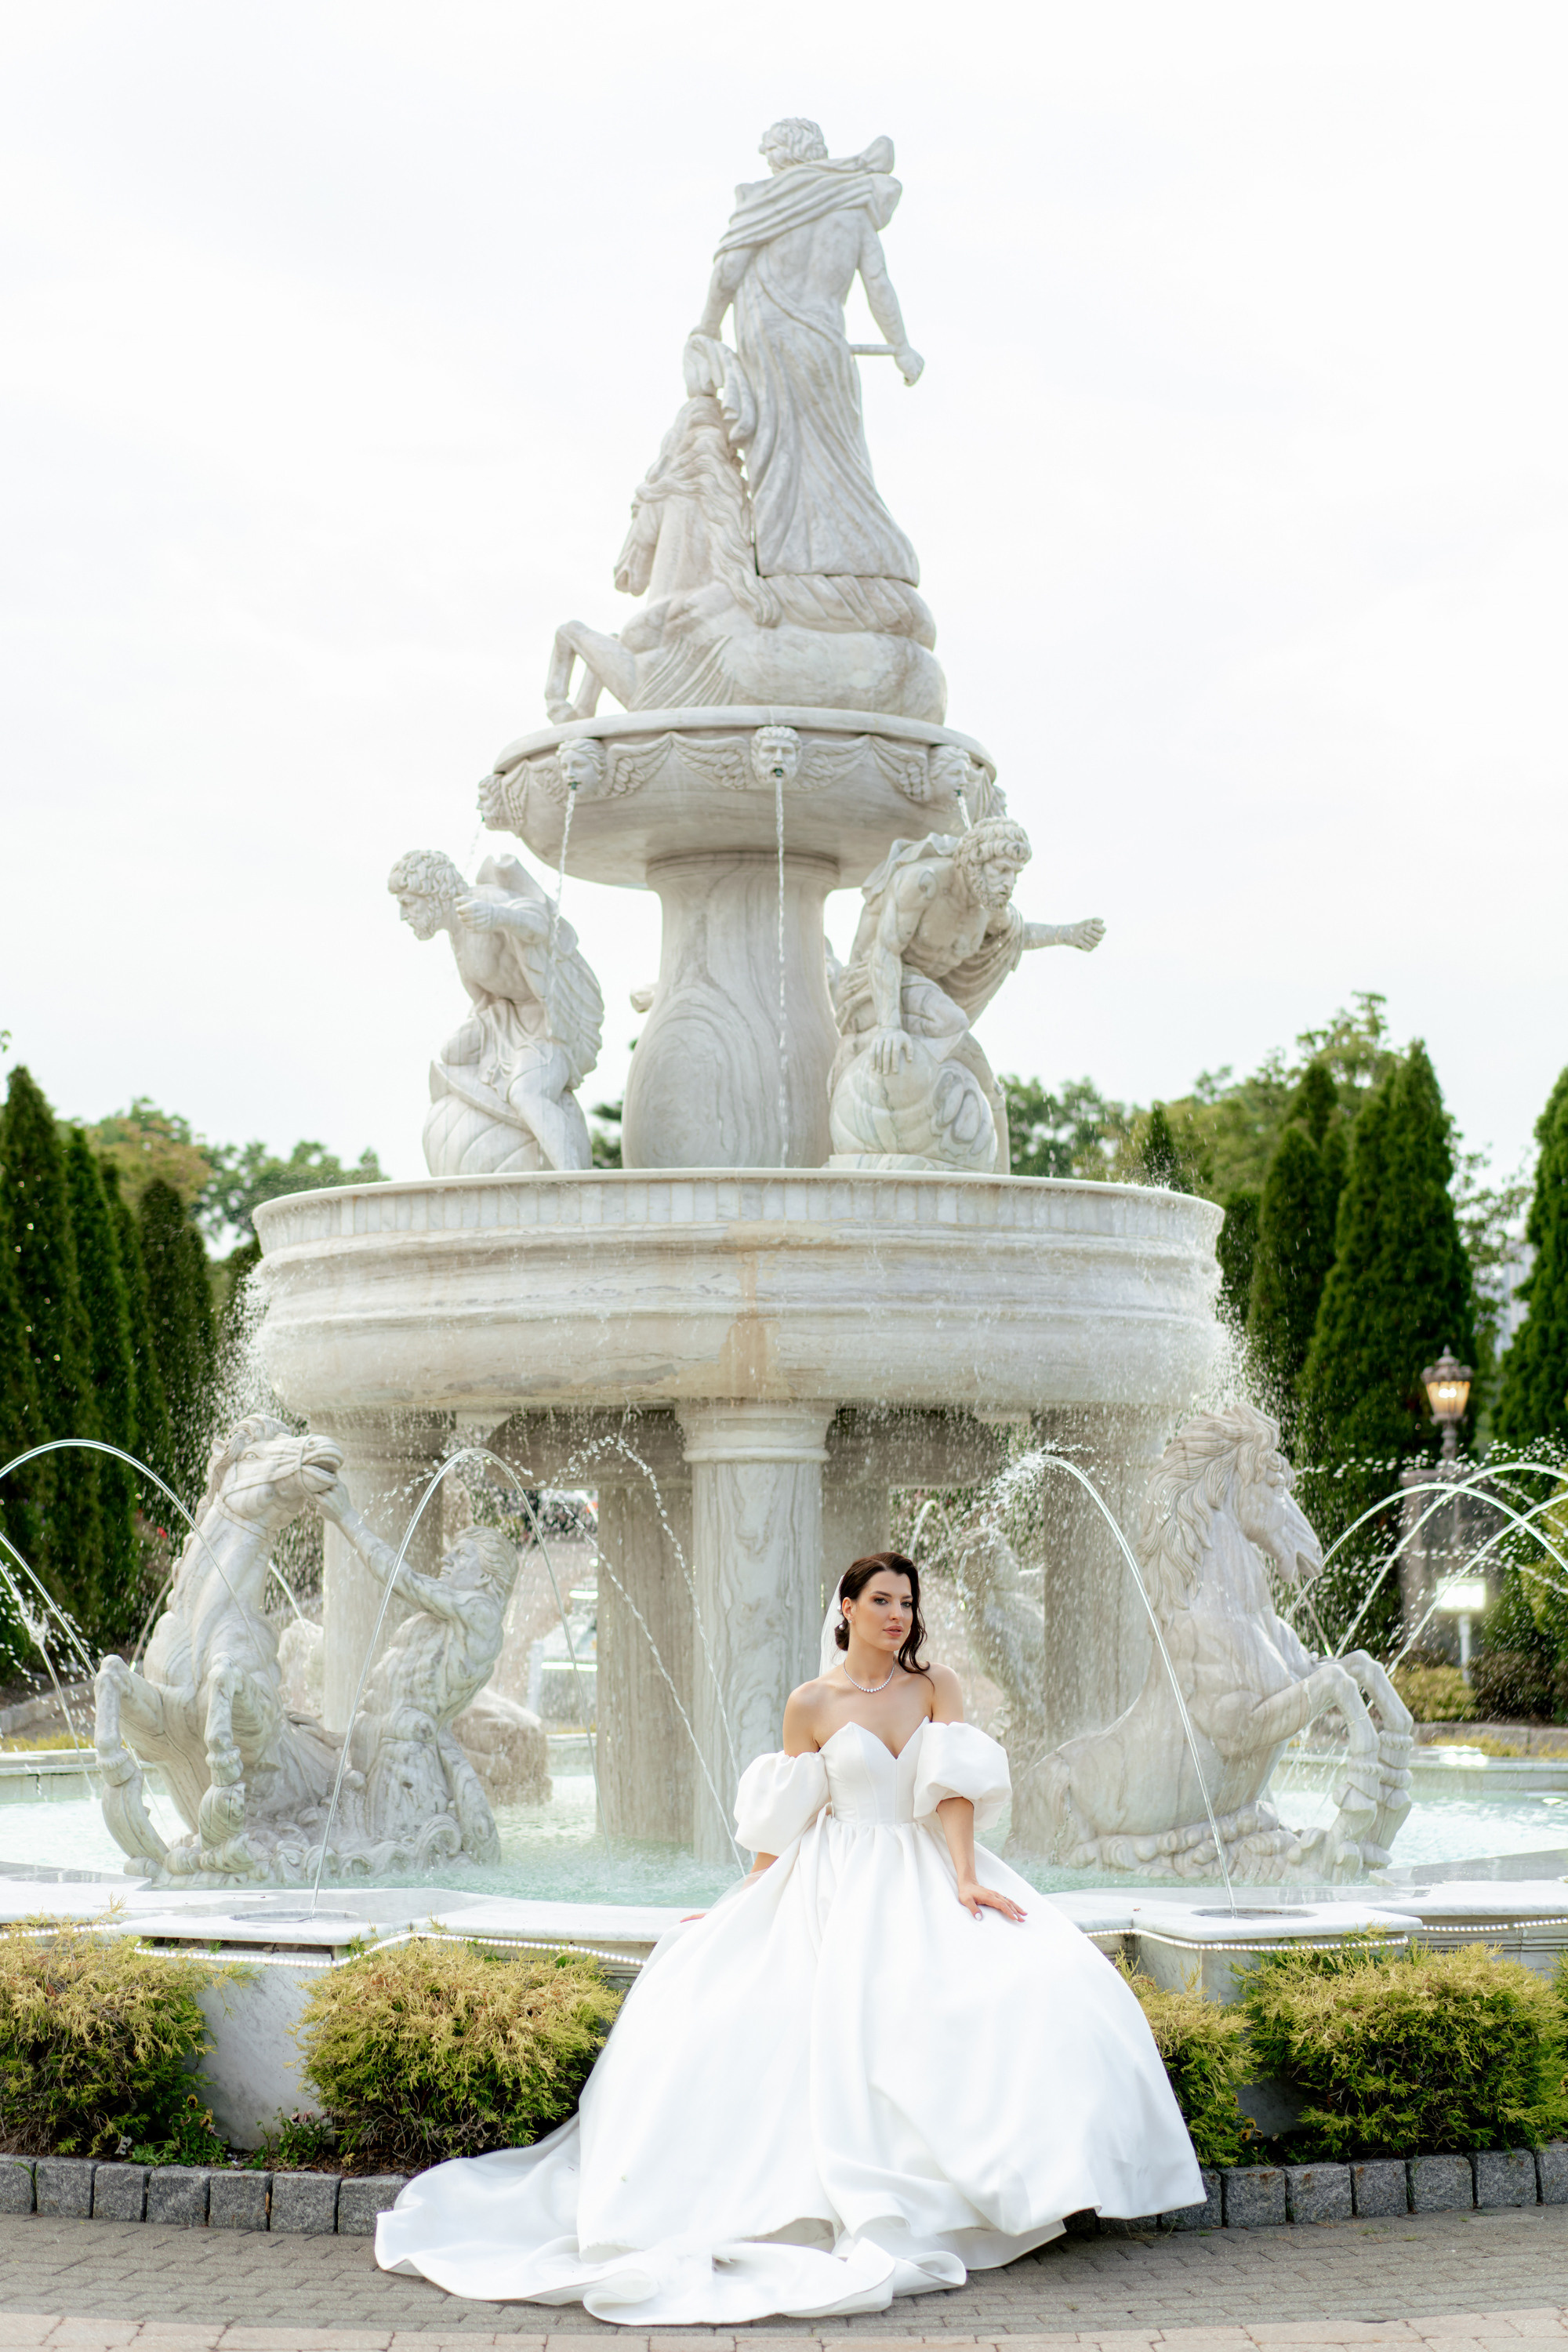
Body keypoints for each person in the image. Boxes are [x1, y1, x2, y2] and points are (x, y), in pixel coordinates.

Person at [376, 1552, 1202, 2325]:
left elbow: (949, 1790)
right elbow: (787, 1815)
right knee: (769, 2009)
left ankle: (1019, 2184)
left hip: (918, 1862)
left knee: (1037, 1983)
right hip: (835, 1874)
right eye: (880, 1601)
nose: (897, 1615)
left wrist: (964, 1877)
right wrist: (747, 1892)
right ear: (845, 1608)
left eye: (906, 1603)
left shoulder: (934, 1687)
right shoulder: (811, 1703)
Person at [687, 118, 924, 583]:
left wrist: (707, 327)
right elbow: (878, 283)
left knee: (782, 448)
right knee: (838, 449)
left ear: (784, 151)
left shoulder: (765, 202)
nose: (766, 156)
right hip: (825, 341)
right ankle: (860, 550)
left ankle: (787, 558)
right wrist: (902, 347)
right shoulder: (851, 204)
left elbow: (727, 273)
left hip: (770, 342)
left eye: (770, 147)